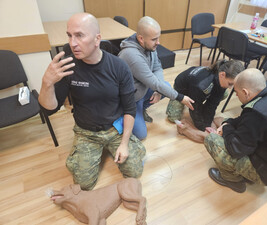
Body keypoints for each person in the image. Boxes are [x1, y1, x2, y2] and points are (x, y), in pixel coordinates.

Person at [38, 13, 146, 191]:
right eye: (69, 35)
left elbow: (129, 108)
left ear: (97, 39)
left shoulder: (119, 66)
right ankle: (85, 152)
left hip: (114, 128)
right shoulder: (68, 66)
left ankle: (129, 146)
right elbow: (50, 109)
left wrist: (125, 143)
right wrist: (46, 83)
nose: (72, 43)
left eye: (79, 35)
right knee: (84, 184)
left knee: (134, 171)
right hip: (86, 131)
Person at [179, 68, 267, 193]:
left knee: (212, 140)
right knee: (228, 122)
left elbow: (235, 149)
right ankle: (247, 171)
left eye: (236, 92)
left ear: (245, 92)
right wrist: (228, 123)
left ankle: (233, 181)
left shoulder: (257, 114)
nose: (236, 95)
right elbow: (246, 120)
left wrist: (225, 128)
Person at [118, 16, 194, 140]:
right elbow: (153, 82)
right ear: (141, 39)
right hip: (131, 100)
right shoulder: (131, 55)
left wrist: (157, 90)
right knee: (141, 135)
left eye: (158, 37)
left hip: (141, 90)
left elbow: (157, 68)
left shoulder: (149, 45)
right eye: (154, 39)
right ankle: (123, 115)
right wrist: (180, 97)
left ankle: (141, 110)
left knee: (165, 87)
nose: (158, 42)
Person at [166, 59, 244, 137]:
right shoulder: (201, 85)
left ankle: (202, 103)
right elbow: (194, 107)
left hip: (197, 89)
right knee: (173, 118)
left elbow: (213, 104)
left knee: (224, 93)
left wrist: (207, 123)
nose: (230, 87)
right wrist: (202, 127)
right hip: (182, 90)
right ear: (222, 75)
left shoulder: (221, 79)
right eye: (230, 84)